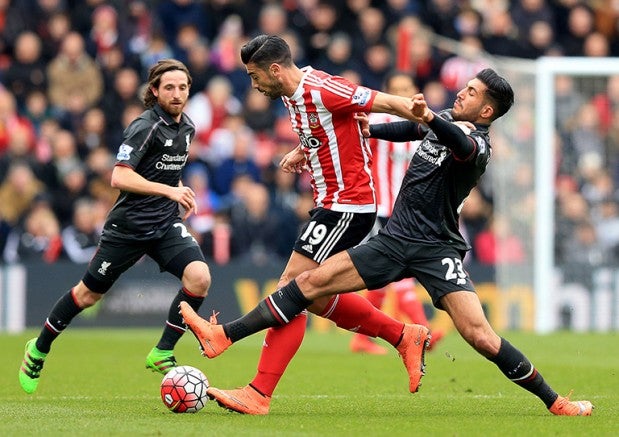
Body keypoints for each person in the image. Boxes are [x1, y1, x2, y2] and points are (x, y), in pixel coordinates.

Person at [181, 68, 594, 416]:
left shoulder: (478, 144)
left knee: (480, 336)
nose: (461, 92)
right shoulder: (445, 118)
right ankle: (230, 339)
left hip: (438, 249)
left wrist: (431, 119)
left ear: (487, 110)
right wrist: (372, 129)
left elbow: (456, 141)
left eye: (471, 92)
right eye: (464, 86)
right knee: (304, 287)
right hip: (394, 240)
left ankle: (555, 402)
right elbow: (412, 128)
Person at [185, 34, 439, 415]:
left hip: (348, 207)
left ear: (274, 69)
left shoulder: (322, 87)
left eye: (255, 76)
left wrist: (424, 112)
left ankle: (244, 366)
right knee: (315, 296)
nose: (252, 85)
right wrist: (304, 150)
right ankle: (403, 335)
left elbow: (380, 100)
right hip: (332, 204)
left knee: (291, 289)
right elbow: (331, 127)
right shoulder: (290, 91)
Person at [19, 59, 211, 394]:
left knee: (200, 277)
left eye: (182, 87)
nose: (177, 93)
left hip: (164, 224)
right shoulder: (144, 126)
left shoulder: (188, 128)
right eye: (169, 87)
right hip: (127, 228)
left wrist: (178, 194)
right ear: (154, 91)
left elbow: (168, 172)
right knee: (87, 295)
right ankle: (39, 348)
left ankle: (162, 350)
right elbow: (118, 175)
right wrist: (169, 190)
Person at [349, 71, 444, 355]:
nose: (403, 93)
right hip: (381, 208)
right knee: (400, 274)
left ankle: (362, 338)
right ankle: (422, 331)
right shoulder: (378, 121)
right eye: (397, 89)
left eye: (407, 87)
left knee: (384, 276)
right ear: (388, 92)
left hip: (408, 211)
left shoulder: (423, 125)